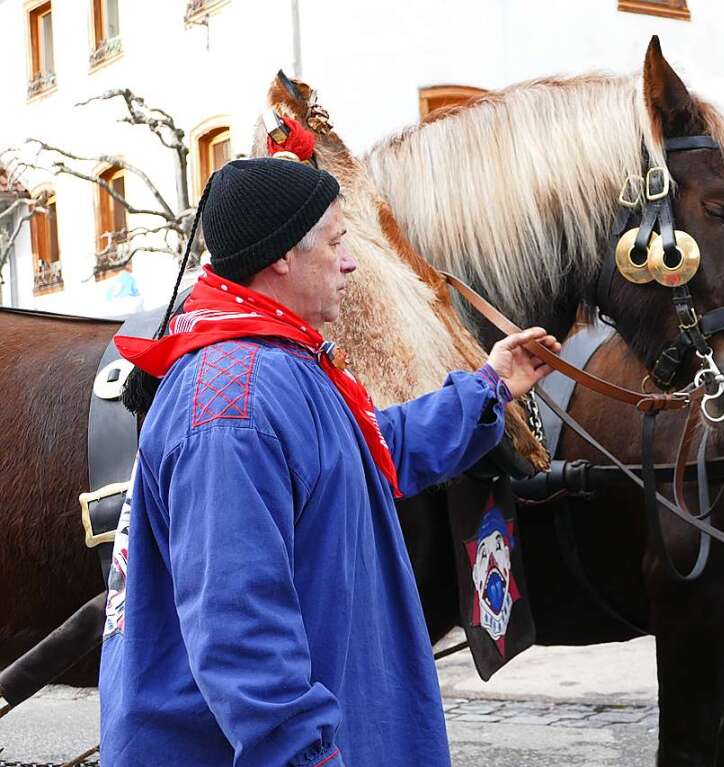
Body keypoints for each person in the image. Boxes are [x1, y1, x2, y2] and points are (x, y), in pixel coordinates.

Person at [98, 157, 561, 766]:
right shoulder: (233, 403)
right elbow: (240, 630)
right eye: (337, 242)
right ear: (283, 255)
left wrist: (489, 387)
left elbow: (366, 450)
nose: (350, 262)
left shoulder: (277, 365)